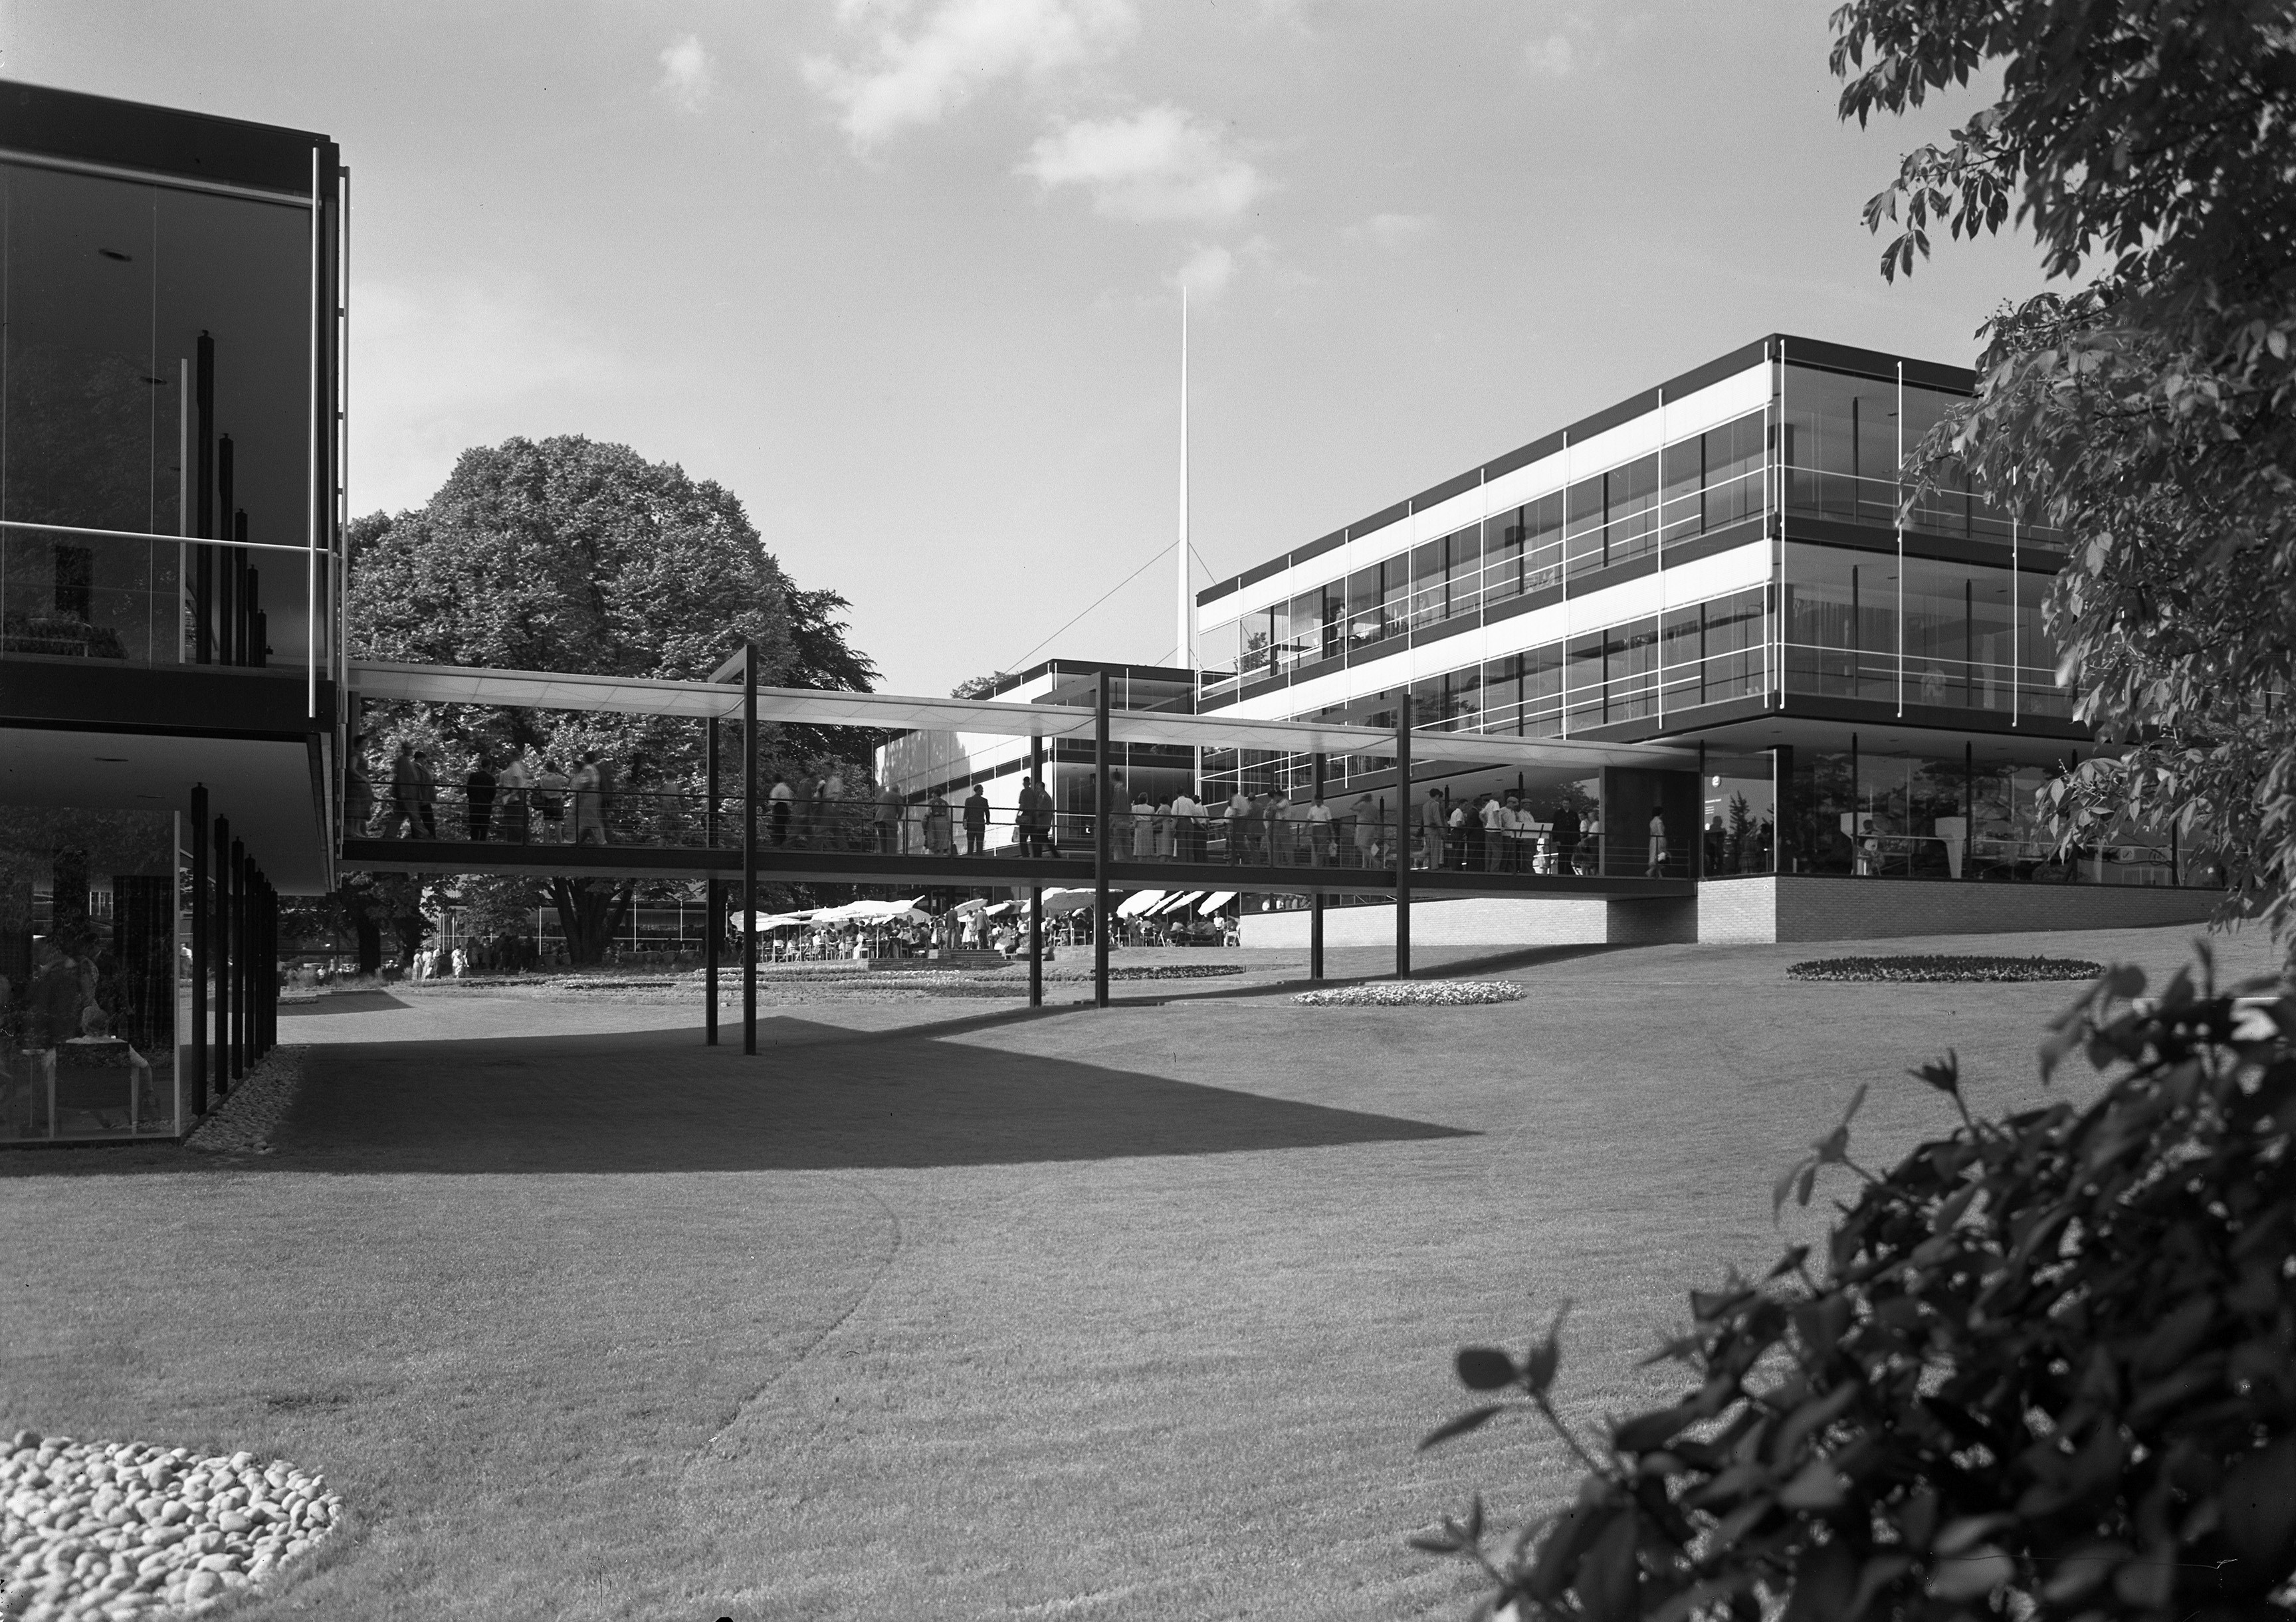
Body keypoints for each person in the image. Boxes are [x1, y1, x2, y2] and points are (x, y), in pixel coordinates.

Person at [496, 751, 534, 844]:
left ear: (513, 756)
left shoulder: (515, 766)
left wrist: (514, 793)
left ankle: (515, 842)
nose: (506, 756)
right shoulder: (515, 768)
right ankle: (519, 841)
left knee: (514, 821)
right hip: (517, 795)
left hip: (515, 796)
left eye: (508, 754)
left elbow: (517, 779)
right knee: (517, 820)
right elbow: (529, 776)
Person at [388, 741, 421, 839]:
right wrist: (403, 792)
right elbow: (401, 777)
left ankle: (389, 834)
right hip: (407, 794)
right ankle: (422, 834)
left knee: (399, 814)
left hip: (407, 793)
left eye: (412, 749)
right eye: (409, 749)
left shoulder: (407, 761)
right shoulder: (403, 760)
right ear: (405, 749)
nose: (411, 751)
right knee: (414, 815)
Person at [572, 751, 605, 845]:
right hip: (594, 794)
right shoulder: (595, 768)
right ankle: (580, 839)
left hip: (589, 795)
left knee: (590, 817)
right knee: (589, 817)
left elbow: (588, 780)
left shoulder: (587, 769)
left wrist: (580, 787)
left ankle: (601, 840)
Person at [534, 759, 569, 842]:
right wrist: (562, 773)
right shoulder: (559, 778)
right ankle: (559, 843)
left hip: (547, 802)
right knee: (558, 825)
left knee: (547, 824)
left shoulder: (543, 778)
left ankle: (546, 843)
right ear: (555, 768)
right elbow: (571, 781)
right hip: (557, 802)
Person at [466, 752, 496, 842]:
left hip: (474, 805)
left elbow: (469, 790)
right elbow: (493, 794)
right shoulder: (491, 779)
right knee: (484, 828)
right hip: (485, 806)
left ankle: (474, 844)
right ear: (489, 766)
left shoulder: (473, 776)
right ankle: (483, 845)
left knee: (474, 828)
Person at [413, 752, 439, 838]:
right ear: (421, 759)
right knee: (428, 819)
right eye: (425, 760)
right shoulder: (416, 768)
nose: (426, 762)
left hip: (422, 798)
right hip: (423, 798)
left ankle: (423, 836)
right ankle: (431, 837)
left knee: (419, 820)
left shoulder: (415, 768)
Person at [1419, 787, 1446, 870]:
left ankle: (1421, 858)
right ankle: (1434, 867)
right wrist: (1443, 832)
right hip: (1434, 831)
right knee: (1435, 849)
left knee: (1428, 847)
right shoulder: (1435, 805)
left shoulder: (1425, 805)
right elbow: (1437, 819)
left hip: (1427, 830)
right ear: (1437, 795)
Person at [1224, 788, 1252, 864]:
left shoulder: (1235, 798)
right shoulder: (1242, 798)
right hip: (1245, 819)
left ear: (1231, 792)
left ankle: (1245, 860)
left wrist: (1233, 820)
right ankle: (1240, 859)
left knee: (1238, 841)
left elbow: (1235, 811)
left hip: (1239, 820)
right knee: (1238, 841)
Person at [875, 779, 901, 854]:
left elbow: (877, 807)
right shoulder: (897, 796)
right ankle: (892, 858)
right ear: (897, 790)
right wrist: (898, 818)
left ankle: (883, 855)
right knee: (891, 840)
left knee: (882, 840)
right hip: (889, 819)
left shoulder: (883, 795)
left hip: (879, 819)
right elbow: (901, 809)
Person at [1308, 794, 1335, 866]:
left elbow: (1329, 821)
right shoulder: (1312, 809)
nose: (1318, 803)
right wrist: (1305, 830)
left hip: (1323, 829)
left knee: (1321, 849)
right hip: (1315, 829)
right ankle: (1326, 865)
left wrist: (1332, 832)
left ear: (1322, 801)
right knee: (1318, 849)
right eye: (1317, 802)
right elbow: (1309, 820)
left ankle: (1319, 866)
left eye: (1319, 802)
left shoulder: (1326, 809)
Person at [963, 785, 990, 855]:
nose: (983, 791)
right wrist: (988, 820)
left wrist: (965, 823)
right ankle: (979, 855)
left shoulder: (969, 800)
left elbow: (966, 813)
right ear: (979, 790)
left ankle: (970, 855)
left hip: (971, 824)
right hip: (980, 824)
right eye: (982, 790)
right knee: (980, 842)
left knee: (970, 842)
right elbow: (987, 812)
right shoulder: (984, 801)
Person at [1352, 795, 1377, 868]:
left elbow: (1352, 807)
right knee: (1367, 847)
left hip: (1363, 826)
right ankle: (1365, 866)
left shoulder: (1362, 805)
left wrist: (1359, 800)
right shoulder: (1374, 807)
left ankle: (1374, 861)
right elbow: (1377, 817)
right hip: (1371, 826)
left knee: (1360, 846)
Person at [768, 775, 793, 846]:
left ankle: (781, 843)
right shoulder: (786, 788)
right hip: (785, 807)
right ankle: (783, 843)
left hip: (779, 807)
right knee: (782, 826)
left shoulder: (777, 789)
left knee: (778, 826)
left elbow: (774, 800)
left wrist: (770, 805)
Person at [1646, 807, 1669, 877]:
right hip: (1658, 840)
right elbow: (1660, 832)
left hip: (1653, 840)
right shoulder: (1659, 821)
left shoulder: (1652, 822)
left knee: (1655, 857)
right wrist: (1663, 842)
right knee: (1660, 856)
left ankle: (1659, 874)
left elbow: (1651, 833)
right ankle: (1651, 871)